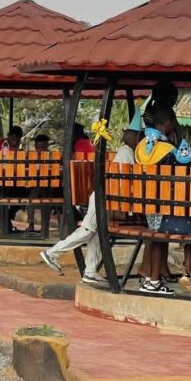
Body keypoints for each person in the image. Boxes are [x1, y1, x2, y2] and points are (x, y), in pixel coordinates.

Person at [39, 113, 142, 283]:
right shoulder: (126, 152)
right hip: (102, 197)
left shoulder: (131, 152)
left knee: (96, 233)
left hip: (107, 198)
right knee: (87, 230)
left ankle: (90, 271)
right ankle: (52, 252)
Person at [133, 104, 191, 296]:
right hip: (167, 217)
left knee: (158, 235)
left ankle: (152, 281)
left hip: (149, 214)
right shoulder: (169, 150)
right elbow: (184, 183)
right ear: (168, 123)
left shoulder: (140, 147)